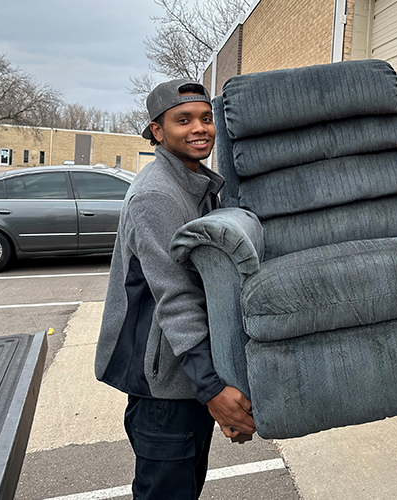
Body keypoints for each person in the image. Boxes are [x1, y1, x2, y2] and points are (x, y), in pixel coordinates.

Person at [95, 79, 255, 500]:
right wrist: (213, 389)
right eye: (183, 120)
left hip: (188, 375)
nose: (199, 128)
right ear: (157, 131)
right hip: (165, 386)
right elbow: (176, 298)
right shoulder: (157, 196)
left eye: (205, 118)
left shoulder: (198, 185)